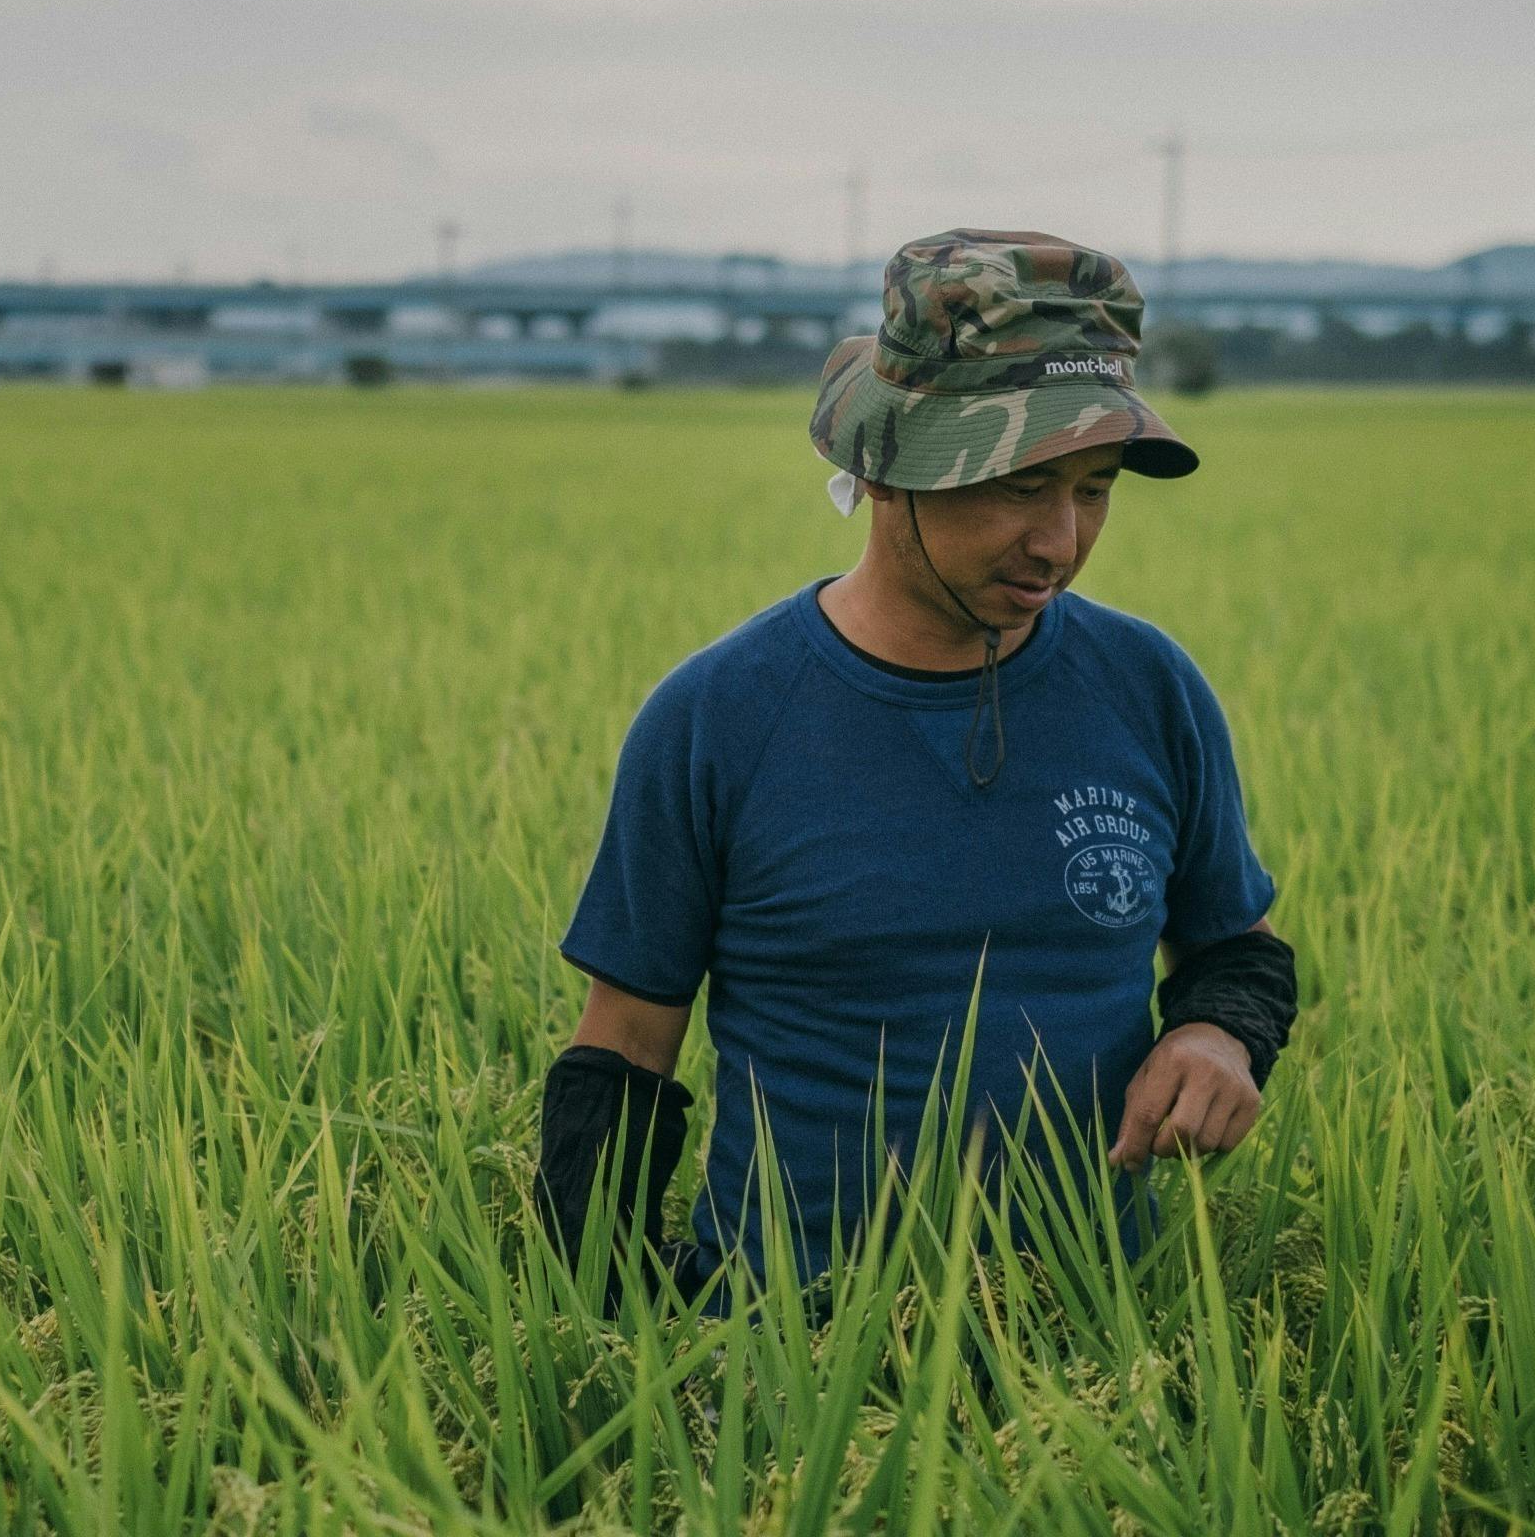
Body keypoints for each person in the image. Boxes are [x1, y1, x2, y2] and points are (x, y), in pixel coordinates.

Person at [534, 229, 1299, 1313]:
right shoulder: (718, 718)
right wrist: (599, 1344)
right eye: (1021, 485)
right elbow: (622, 1055)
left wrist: (1219, 1033)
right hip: (786, 1356)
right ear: (891, 465)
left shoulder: (1148, 687)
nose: (1061, 539)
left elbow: (1239, 951)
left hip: (1087, 1349)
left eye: (1093, 487)